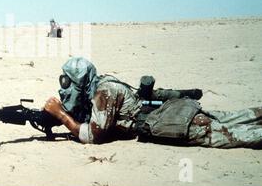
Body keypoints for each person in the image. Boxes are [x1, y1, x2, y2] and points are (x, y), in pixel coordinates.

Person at [43, 57, 262, 149]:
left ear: (80, 81)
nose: (64, 87)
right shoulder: (101, 85)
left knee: (234, 135)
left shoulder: (104, 92)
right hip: (173, 112)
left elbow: (93, 136)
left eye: (68, 81)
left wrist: (62, 116)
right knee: (235, 117)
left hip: (176, 124)